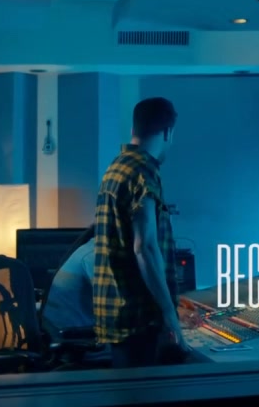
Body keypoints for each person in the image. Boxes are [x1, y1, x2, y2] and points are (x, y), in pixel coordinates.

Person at [92, 97, 190, 369]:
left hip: (118, 313)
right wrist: (170, 315)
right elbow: (144, 248)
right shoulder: (142, 172)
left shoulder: (117, 166)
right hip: (137, 317)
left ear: (134, 128)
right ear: (167, 132)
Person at [42, 224, 111, 363]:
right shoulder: (95, 254)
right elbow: (114, 305)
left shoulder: (91, 248)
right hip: (76, 343)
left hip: (69, 336)